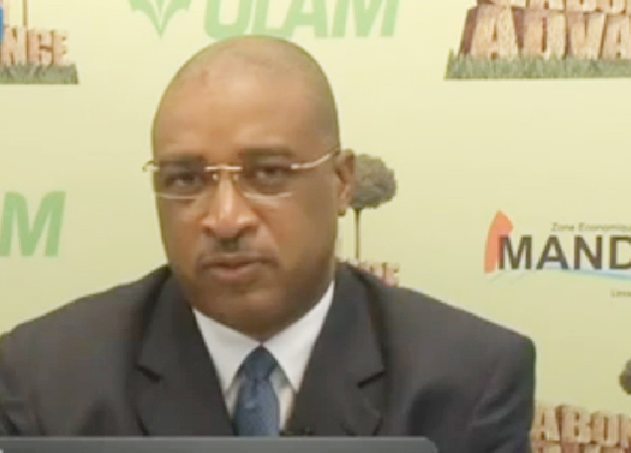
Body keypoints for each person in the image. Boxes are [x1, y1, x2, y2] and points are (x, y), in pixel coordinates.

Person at [0, 36, 535, 452]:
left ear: (342, 182)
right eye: (186, 179)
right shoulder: (44, 380)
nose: (225, 219)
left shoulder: (469, 379)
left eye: (269, 173)